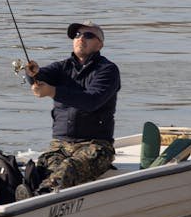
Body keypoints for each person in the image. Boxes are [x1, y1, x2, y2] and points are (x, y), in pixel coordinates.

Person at [18, 20, 121, 198]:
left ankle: (40, 195)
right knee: (43, 167)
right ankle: (24, 191)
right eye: (77, 35)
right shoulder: (61, 68)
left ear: (100, 44)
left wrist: (52, 91)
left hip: (96, 145)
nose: (81, 38)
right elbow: (40, 77)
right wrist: (31, 73)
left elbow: (91, 101)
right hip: (60, 146)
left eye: (88, 35)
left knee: (69, 168)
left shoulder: (108, 70)